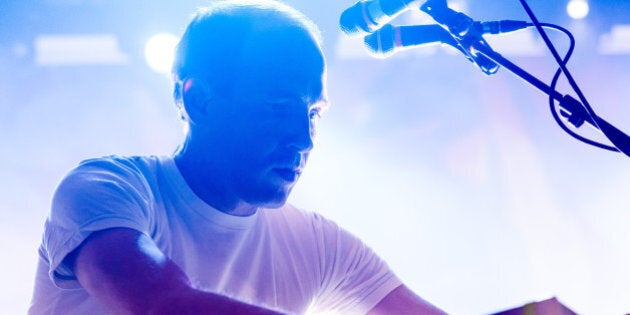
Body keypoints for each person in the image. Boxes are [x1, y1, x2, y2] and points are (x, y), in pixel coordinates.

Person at [29, 1, 446, 314]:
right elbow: (166, 306)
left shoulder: (319, 244)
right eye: (278, 108)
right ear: (201, 102)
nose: (304, 139)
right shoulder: (107, 190)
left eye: (313, 113)